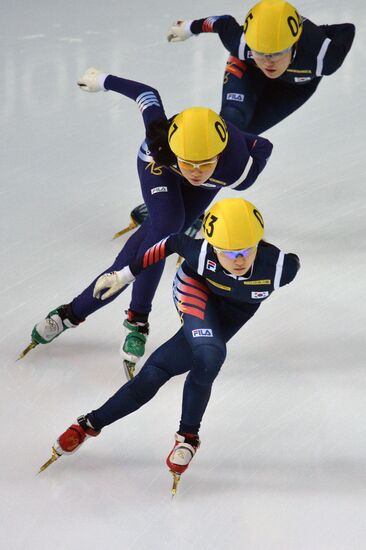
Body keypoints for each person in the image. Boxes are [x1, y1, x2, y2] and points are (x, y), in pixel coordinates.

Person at [40, 197, 300, 493]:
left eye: (246, 250)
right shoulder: (202, 254)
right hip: (196, 290)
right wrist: (124, 275)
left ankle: (88, 424)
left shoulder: (281, 268)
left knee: (155, 373)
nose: (239, 259)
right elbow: (171, 243)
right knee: (211, 353)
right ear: (213, 246)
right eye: (229, 253)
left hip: (230, 316)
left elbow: (290, 261)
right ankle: (189, 436)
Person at [24, 68, 273, 375]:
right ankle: (137, 319)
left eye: (205, 163)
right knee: (168, 225)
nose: (196, 171)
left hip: (208, 178)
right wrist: (102, 80)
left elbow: (262, 145)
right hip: (160, 167)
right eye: (189, 162)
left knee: (160, 231)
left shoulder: (239, 171)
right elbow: (147, 95)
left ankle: (71, 314)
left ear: (220, 155)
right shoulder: (162, 142)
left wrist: (240, 161)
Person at [167, 0, 355, 133]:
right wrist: (190, 27)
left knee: (245, 135)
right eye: (260, 52)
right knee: (233, 122)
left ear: (295, 43)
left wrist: (317, 34)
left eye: (277, 53)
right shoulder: (240, 44)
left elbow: (347, 28)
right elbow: (221, 23)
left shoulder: (324, 57)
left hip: (295, 87)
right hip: (250, 69)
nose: (267, 61)